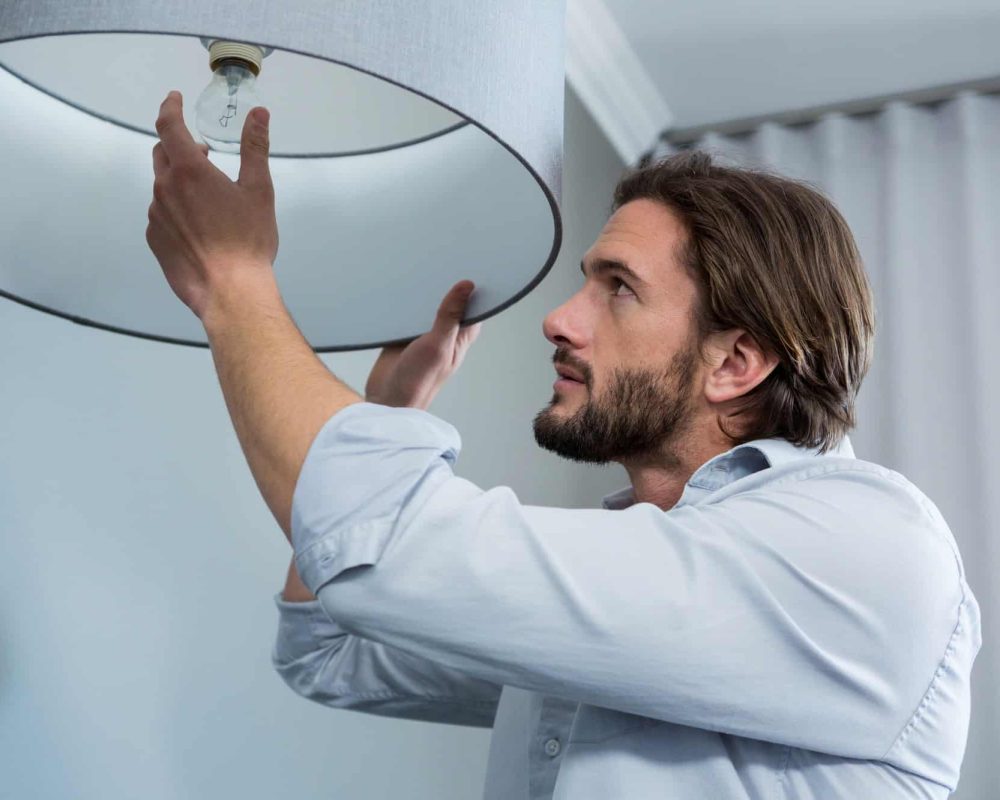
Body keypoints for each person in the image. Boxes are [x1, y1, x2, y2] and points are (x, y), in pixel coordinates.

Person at [146, 91, 980, 800]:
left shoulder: (862, 545)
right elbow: (332, 650)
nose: (560, 319)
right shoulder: (633, 567)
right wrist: (387, 408)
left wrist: (234, 279)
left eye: (617, 288)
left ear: (734, 362)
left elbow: (382, 548)